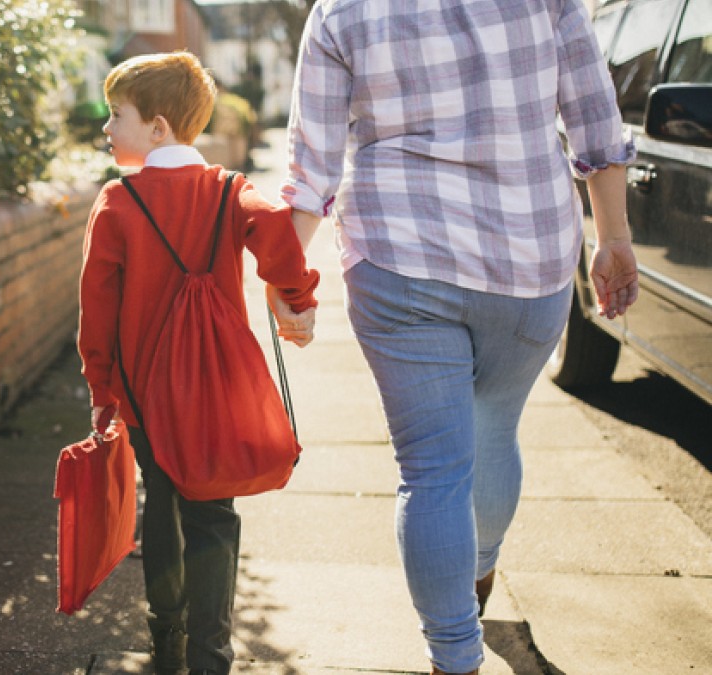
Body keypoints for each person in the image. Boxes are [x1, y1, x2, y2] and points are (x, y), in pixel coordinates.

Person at [271, 1, 639, 674]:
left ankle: (454, 657)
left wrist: (287, 274)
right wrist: (613, 234)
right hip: (529, 255)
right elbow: (593, 109)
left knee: (434, 468)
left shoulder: (340, 9)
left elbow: (312, 162)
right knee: (494, 427)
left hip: (399, 253)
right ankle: (479, 574)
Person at [77, 51, 320, 675]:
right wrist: (298, 299)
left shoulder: (118, 201)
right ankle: (213, 652)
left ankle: (168, 639)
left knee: (160, 506)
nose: (106, 128)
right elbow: (279, 242)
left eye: (117, 115)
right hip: (216, 393)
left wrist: (101, 386)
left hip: (144, 395)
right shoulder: (227, 190)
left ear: (158, 128)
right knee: (214, 512)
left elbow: (96, 306)